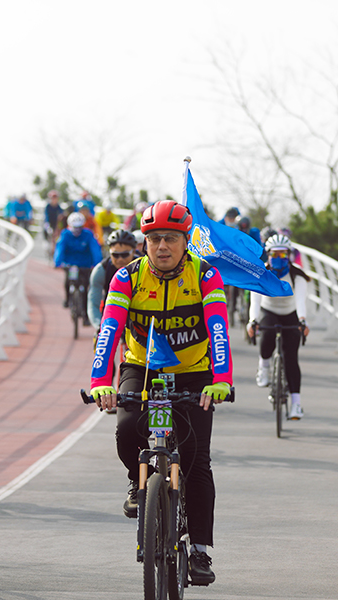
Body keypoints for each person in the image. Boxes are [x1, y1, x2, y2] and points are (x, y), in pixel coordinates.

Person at [89, 200, 233, 586]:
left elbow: (218, 329)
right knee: (126, 430)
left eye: (170, 238)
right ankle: (138, 484)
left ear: (186, 241)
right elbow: (109, 332)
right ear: (144, 242)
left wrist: (221, 379)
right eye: (154, 239)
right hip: (143, 367)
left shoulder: (205, 276)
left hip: (194, 373)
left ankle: (201, 551)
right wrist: (101, 380)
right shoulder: (127, 278)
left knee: (197, 461)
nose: (162, 246)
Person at [246, 234, 311, 420]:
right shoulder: (261, 272)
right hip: (269, 311)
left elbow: (300, 301)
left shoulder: (297, 275)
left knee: (291, 358)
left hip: (290, 313)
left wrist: (303, 320)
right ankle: (264, 366)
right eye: (275, 254)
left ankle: (296, 405)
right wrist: (253, 320)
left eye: (283, 254)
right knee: (266, 336)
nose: (279, 258)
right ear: (268, 255)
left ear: (289, 255)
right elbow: (255, 300)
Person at [54, 212, 102, 325]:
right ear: (69, 226)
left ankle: (85, 316)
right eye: (74, 228)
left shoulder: (88, 234)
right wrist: (57, 262)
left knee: (85, 289)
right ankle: (67, 299)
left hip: (85, 264)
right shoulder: (65, 234)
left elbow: (95, 249)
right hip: (70, 264)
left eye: (79, 227)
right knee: (67, 281)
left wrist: (97, 263)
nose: (77, 230)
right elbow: (60, 248)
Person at [87, 229, 137, 331]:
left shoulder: (144, 267)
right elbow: (93, 303)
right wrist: (99, 326)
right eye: (115, 255)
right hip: (111, 314)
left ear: (134, 251)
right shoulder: (101, 270)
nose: (120, 259)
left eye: (125, 255)